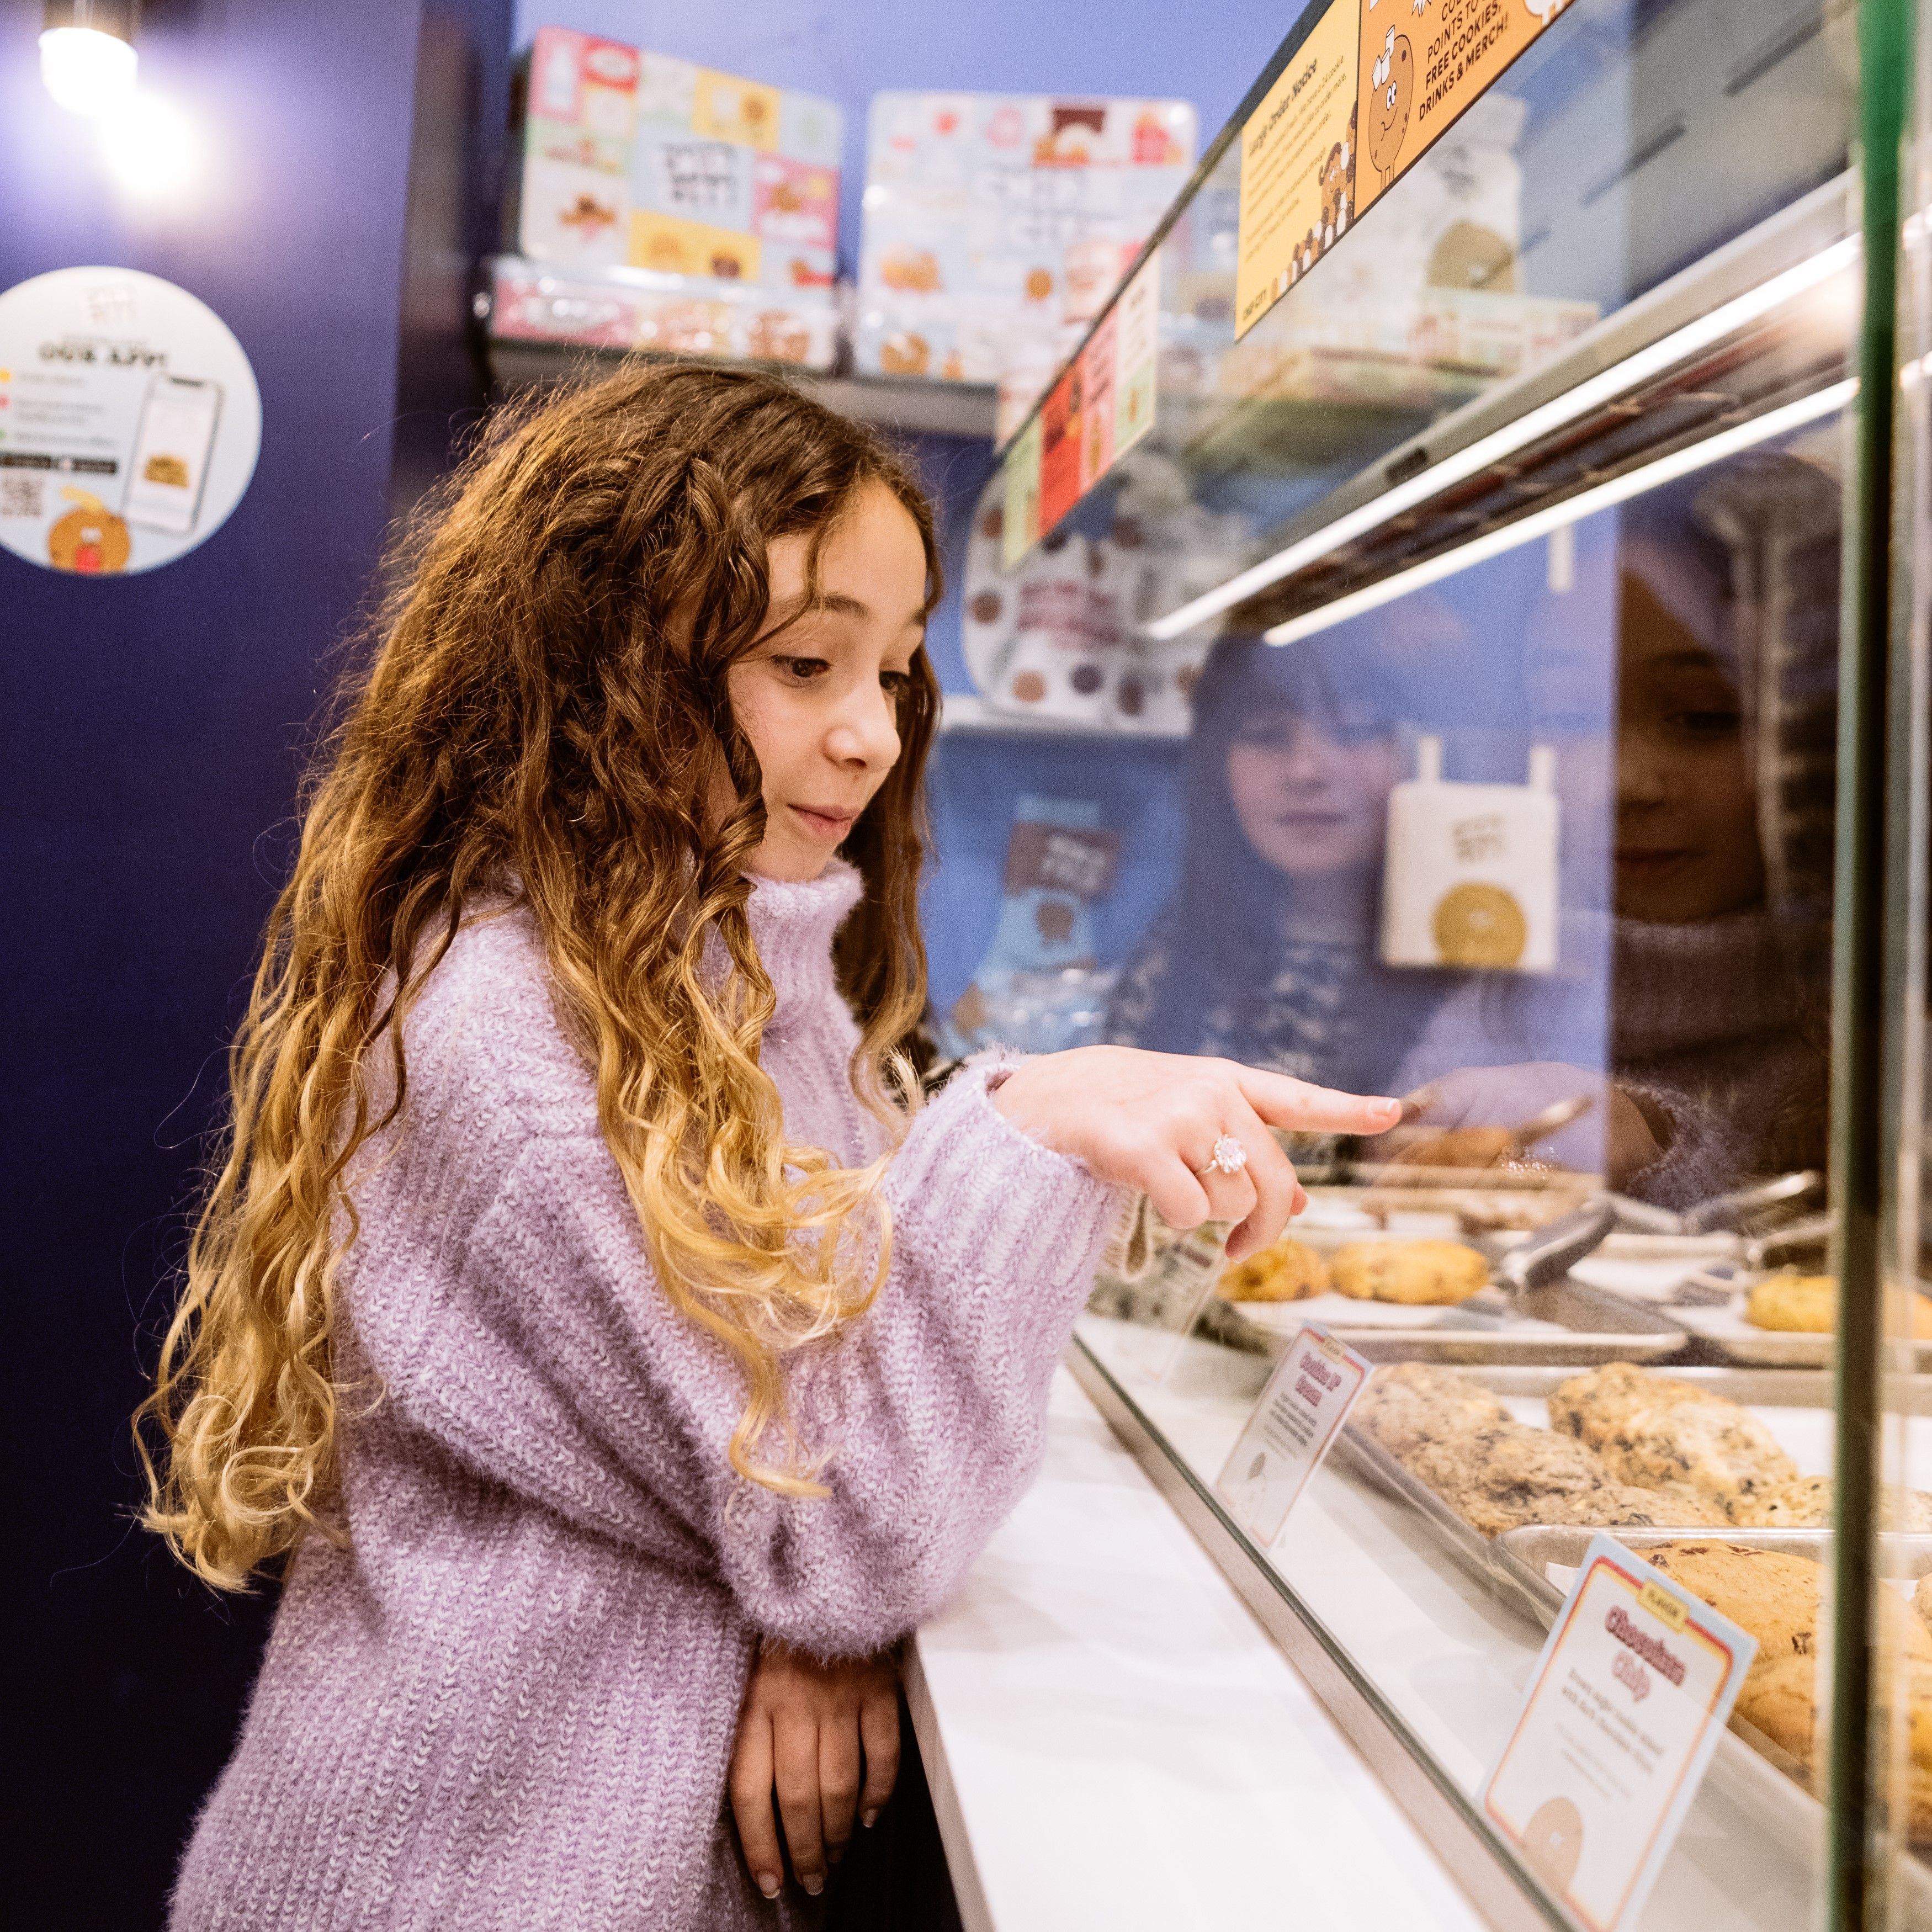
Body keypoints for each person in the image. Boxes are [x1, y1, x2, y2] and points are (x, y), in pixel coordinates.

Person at [137, 363, 1398, 1930]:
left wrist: (817, 1629)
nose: (870, 734)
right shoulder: (519, 1035)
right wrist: (1018, 1128)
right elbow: (841, 1517)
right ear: (601, 663)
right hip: (466, 1874)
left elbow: (799, 1401)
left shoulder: (731, 964)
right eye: (805, 662)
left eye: (896, 669)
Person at [1390, 509, 1829, 1202]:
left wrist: (1652, 1145)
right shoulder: (1481, 1010)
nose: (1621, 782)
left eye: (1702, 715)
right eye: (1571, 717)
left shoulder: (1893, 1046)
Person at [1103, 625, 1467, 1095]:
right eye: (1267, 736)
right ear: (1218, 764)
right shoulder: (1176, 959)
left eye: (1354, 730)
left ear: (1428, 752)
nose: (1306, 770)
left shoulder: (1472, 976)